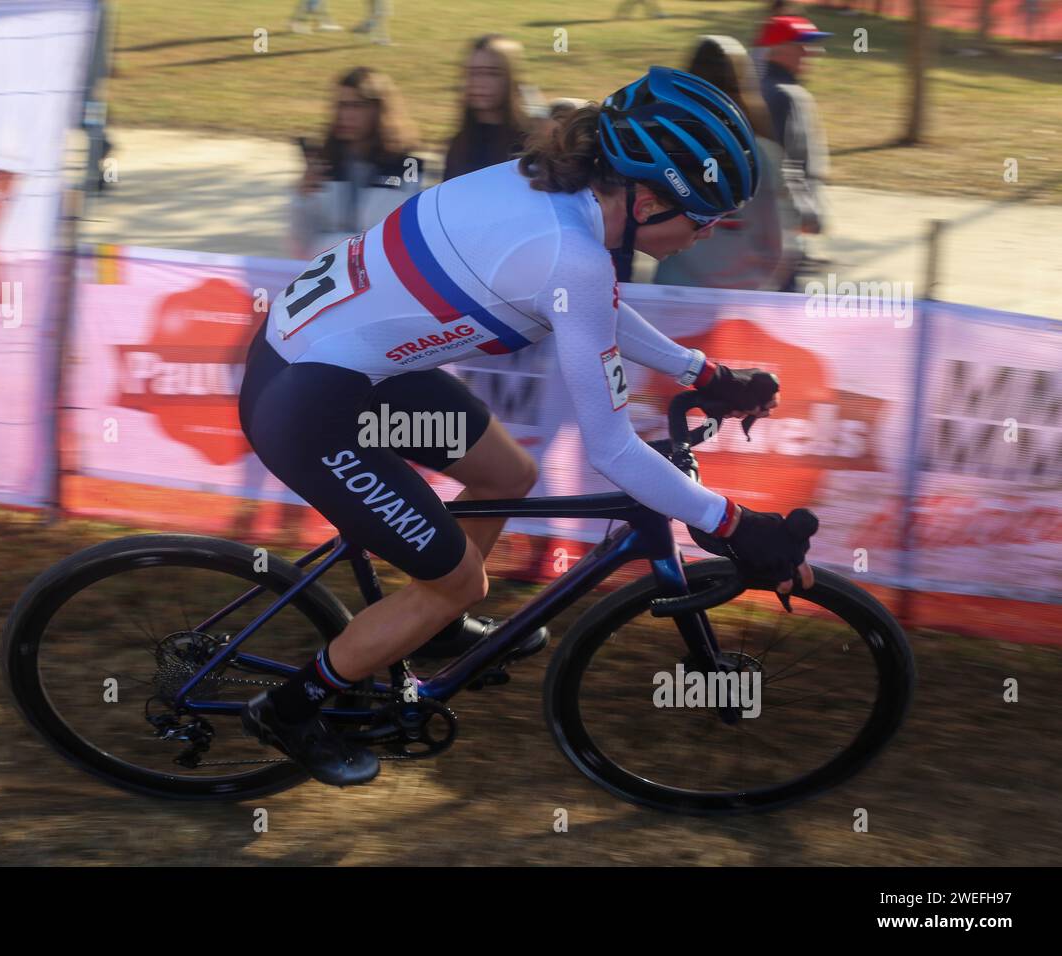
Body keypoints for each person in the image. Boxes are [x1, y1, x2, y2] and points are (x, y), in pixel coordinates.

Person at [238, 67, 816, 787]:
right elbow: (610, 447)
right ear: (643, 197)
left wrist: (701, 372)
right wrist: (732, 523)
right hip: (310, 400)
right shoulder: (569, 252)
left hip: (334, 359)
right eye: (700, 217)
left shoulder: (555, 191)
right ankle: (292, 709)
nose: (703, 235)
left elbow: (589, 306)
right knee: (457, 579)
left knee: (507, 475)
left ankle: (434, 624)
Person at [654, 36, 795, 290]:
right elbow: (778, 243)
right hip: (740, 298)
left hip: (676, 293)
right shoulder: (763, 154)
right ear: (744, 83)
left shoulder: (667, 150)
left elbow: (651, 231)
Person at [289, 67, 422, 260]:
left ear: (378, 110)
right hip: (325, 278)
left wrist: (333, 244)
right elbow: (300, 246)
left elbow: (398, 241)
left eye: (356, 106)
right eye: (342, 105)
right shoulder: (325, 163)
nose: (346, 115)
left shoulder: (406, 167)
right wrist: (301, 199)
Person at [755, 14, 832, 291]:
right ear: (778, 48)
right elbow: (782, 161)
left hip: (765, 226)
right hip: (781, 226)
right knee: (780, 310)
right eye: (801, 45)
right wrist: (808, 213)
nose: (811, 52)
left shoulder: (763, 88)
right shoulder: (785, 95)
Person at [442, 35, 535, 182]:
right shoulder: (459, 144)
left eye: (492, 73)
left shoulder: (531, 144)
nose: (479, 83)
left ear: (511, 78)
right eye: (472, 73)